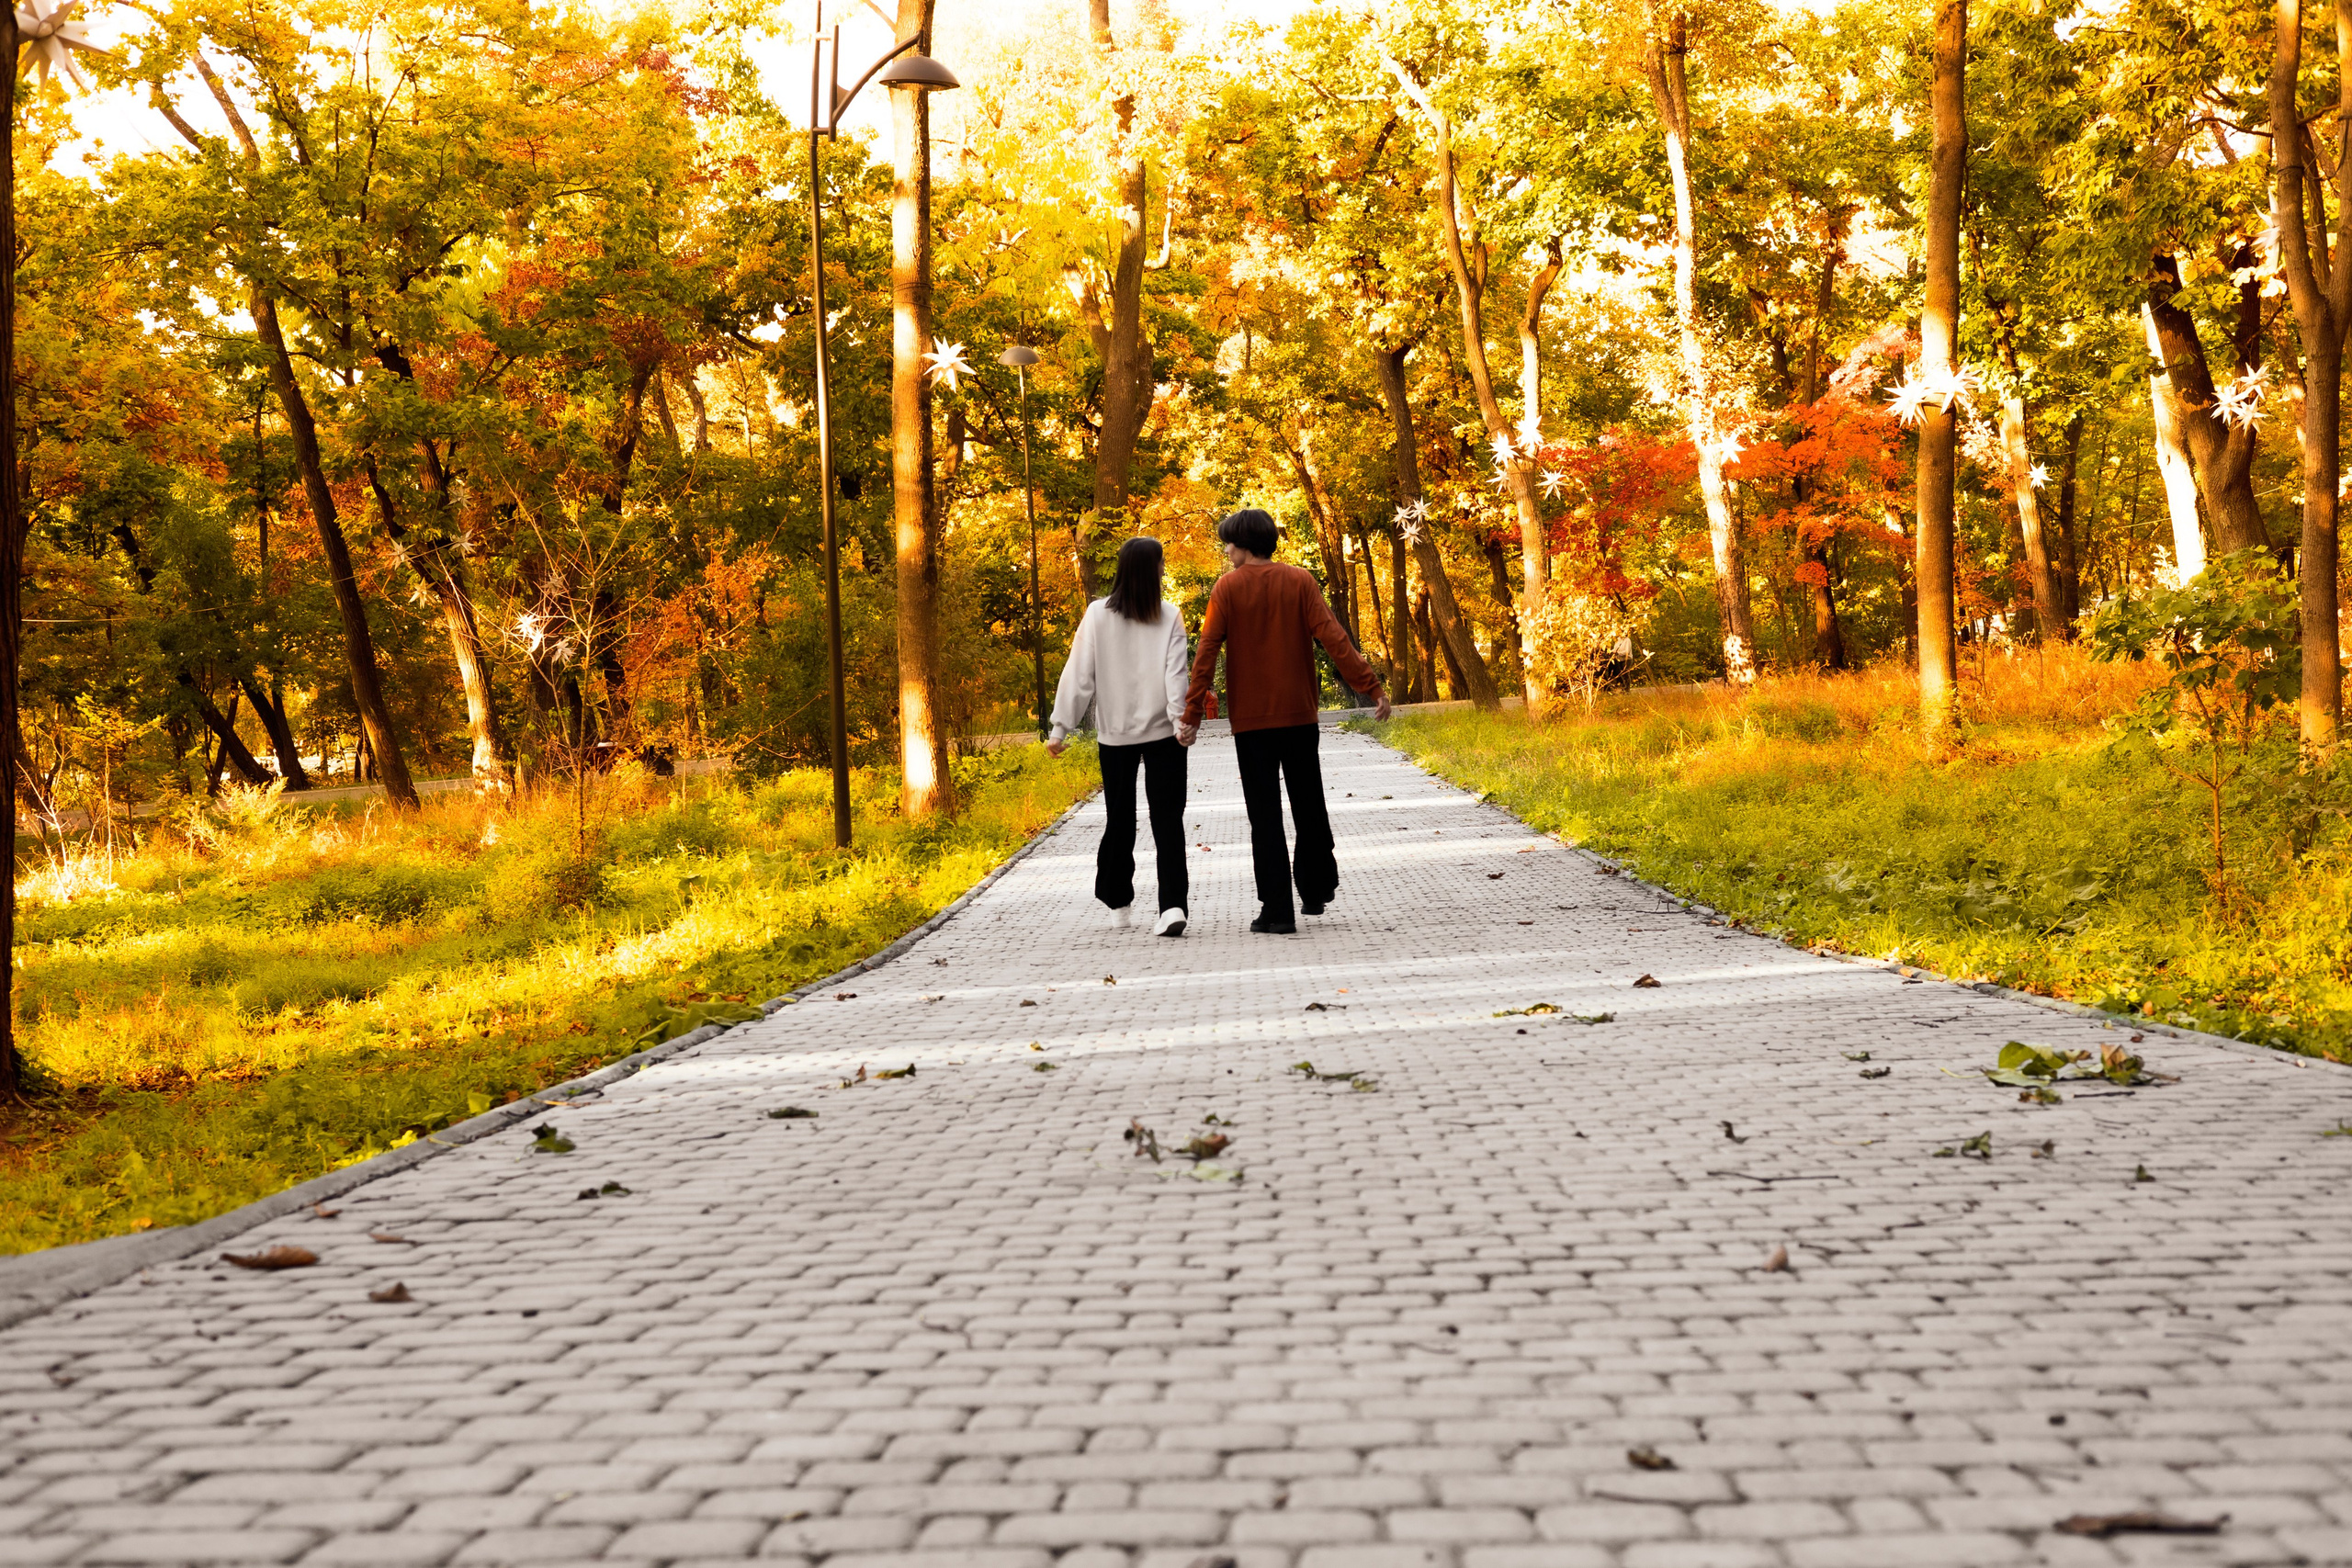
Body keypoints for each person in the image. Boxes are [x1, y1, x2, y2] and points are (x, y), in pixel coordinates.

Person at [1179, 508, 1389, 934]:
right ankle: (1314, 890)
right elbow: (1334, 637)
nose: (1225, 550)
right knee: (1309, 803)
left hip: (1252, 725)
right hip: (1298, 716)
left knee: (1265, 815)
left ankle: (1277, 909)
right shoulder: (1300, 581)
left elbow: (1205, 654)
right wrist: (1371, 687)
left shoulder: (1227, 589)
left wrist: (1192, 715)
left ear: (1244, 544)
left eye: (1229, 543)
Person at [1046, 536, 1193, 936]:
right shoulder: (1169, 616)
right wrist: (1181, 723)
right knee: (1168, 821)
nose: (1164, 569)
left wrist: (1061, 727)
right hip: (1164, 736)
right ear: (1150, 569)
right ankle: (1172, 906)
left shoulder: (1097, 615)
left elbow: (1079, 674)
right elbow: (1175, 679)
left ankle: (1118, 900)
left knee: (1120, 820)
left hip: (1115, 737)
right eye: (1161, 563)